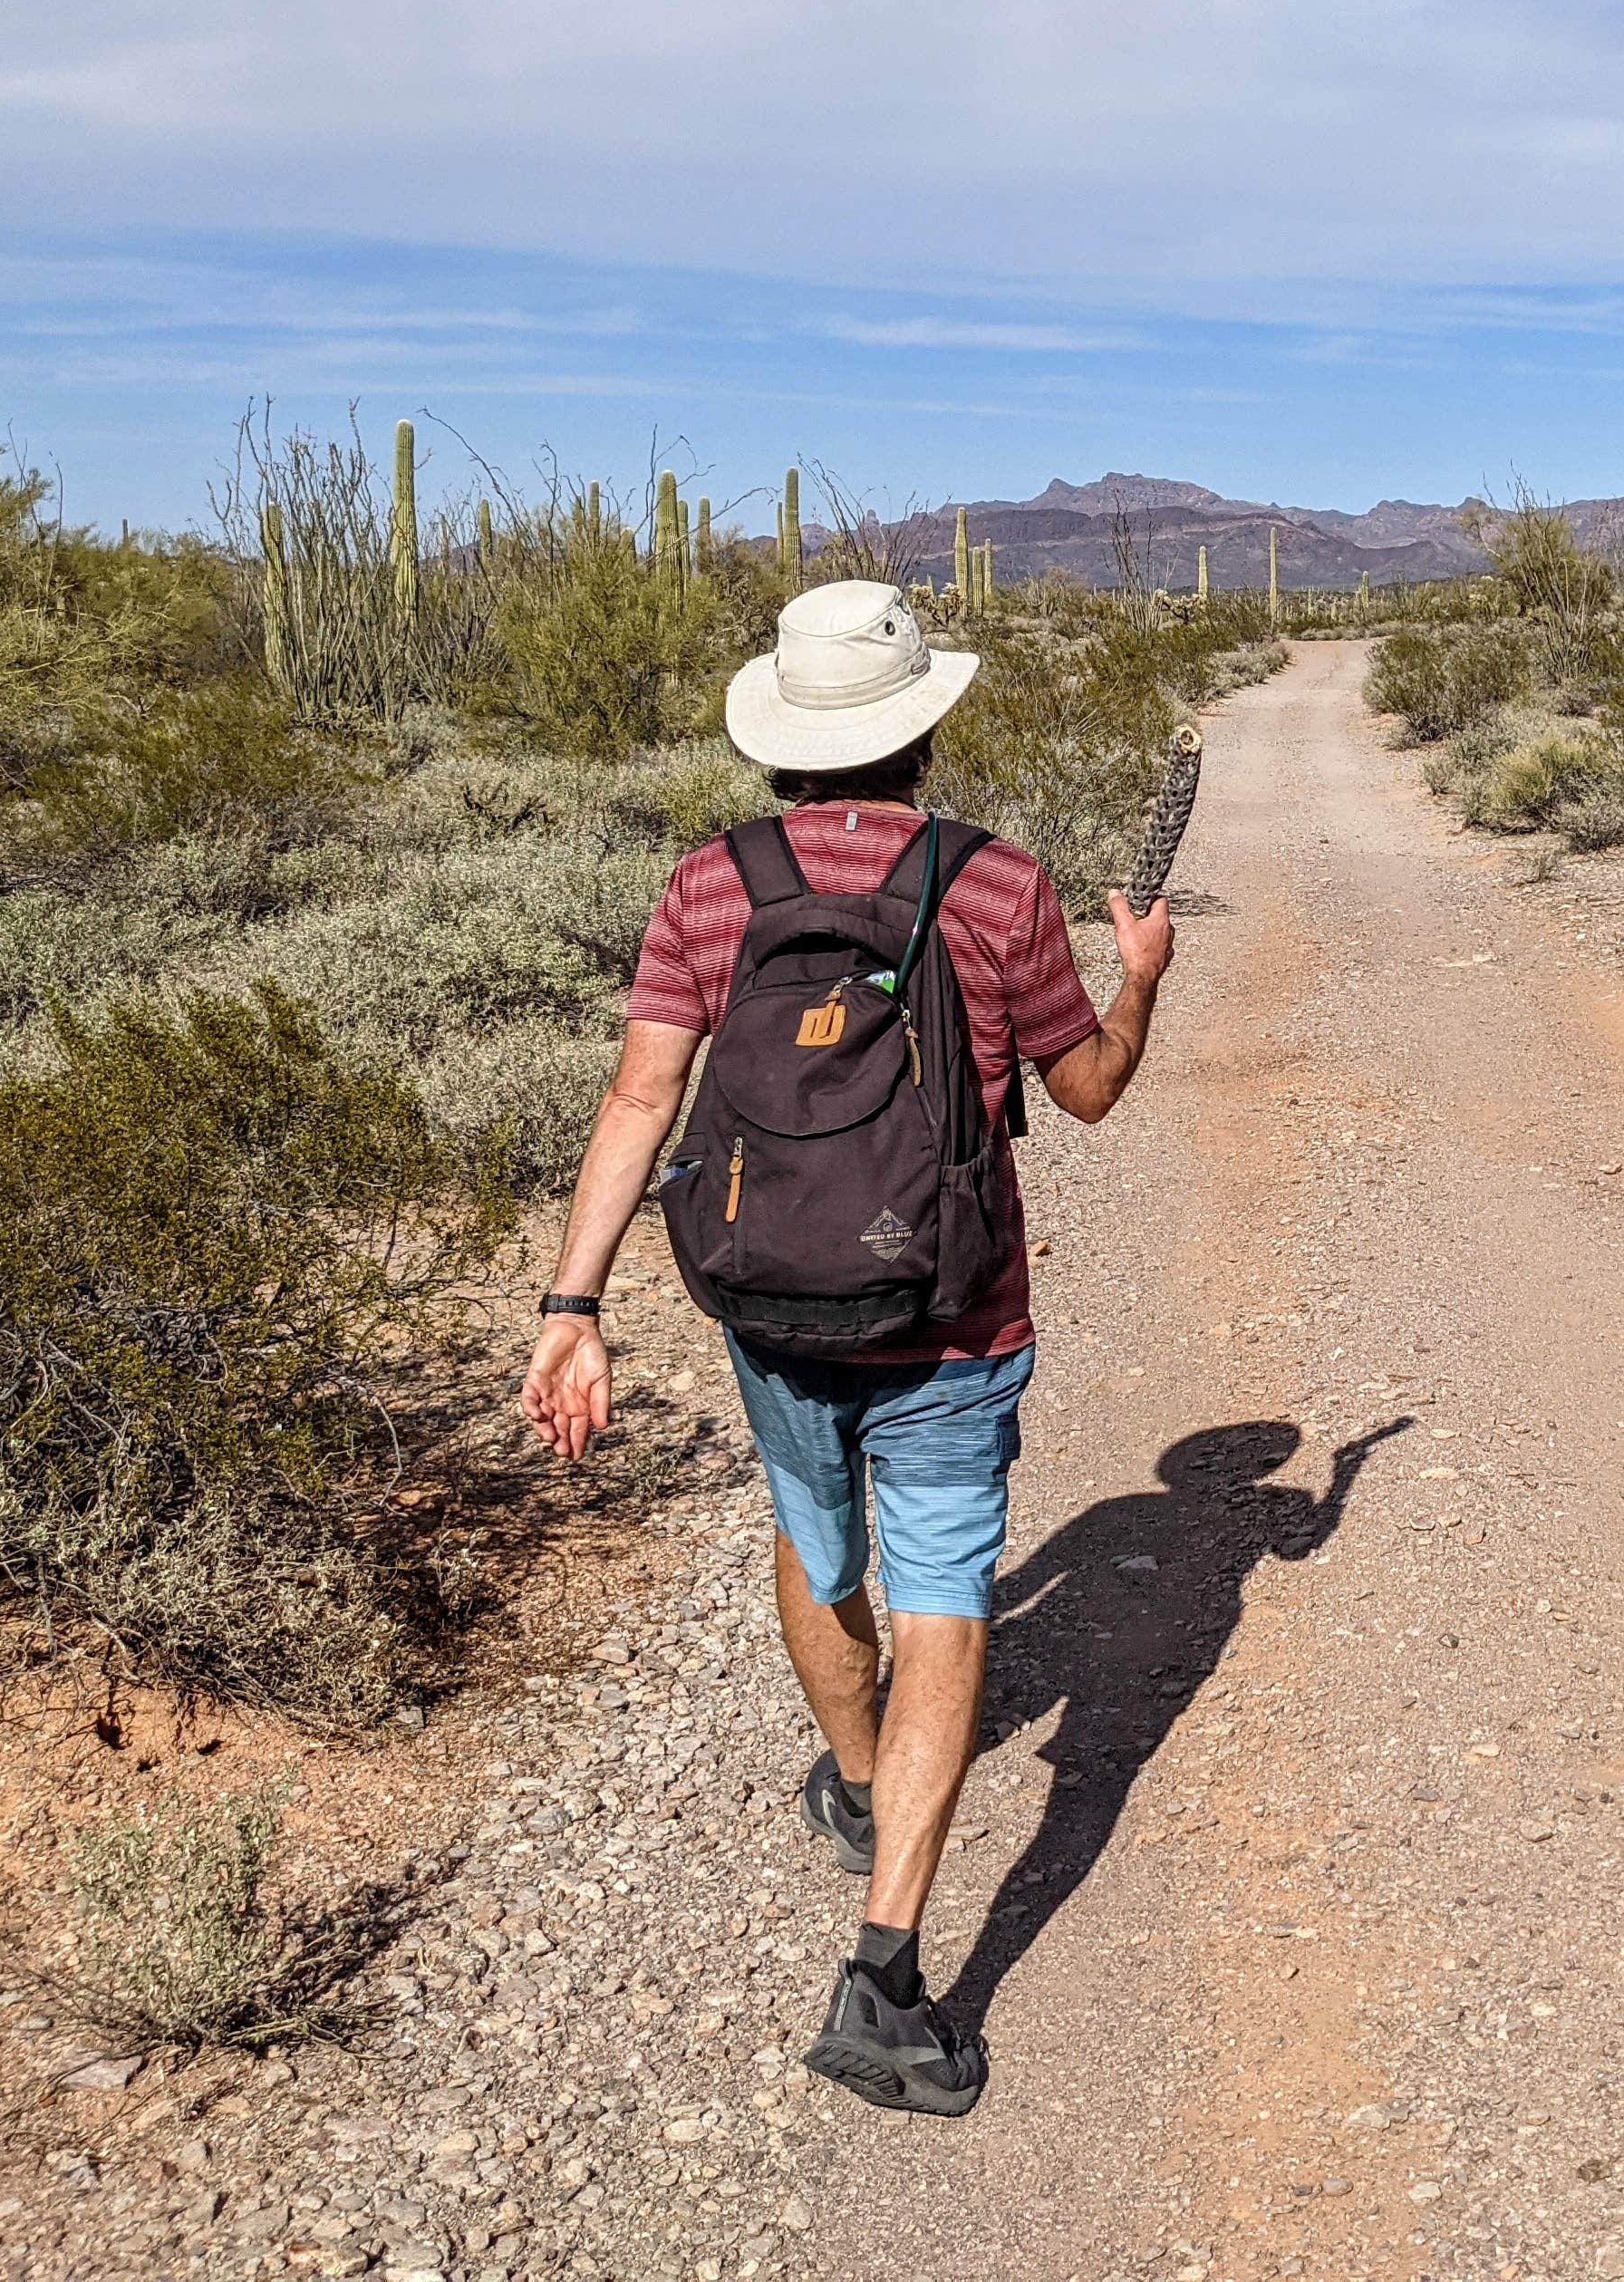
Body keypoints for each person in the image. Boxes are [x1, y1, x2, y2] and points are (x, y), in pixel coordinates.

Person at [517, 579, 1174, 2118]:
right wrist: (1138, 976)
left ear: (781, 738)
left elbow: (639, 1102)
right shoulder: (997, 884)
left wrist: (573, 1305)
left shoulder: (706, 886)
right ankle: (886, 1967)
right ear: (920, 726)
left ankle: (864, 1774)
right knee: (943, 1590)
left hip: (766, 1294)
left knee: (815, 1531)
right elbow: (1084, 1091)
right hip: (951, 1306)